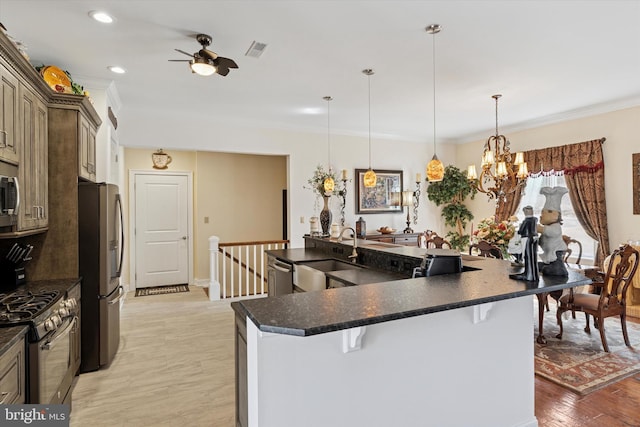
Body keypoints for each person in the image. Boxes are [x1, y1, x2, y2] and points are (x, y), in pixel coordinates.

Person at [537, 186, 569, 276]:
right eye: (542, 212)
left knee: (551, 269)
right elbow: (542, 241)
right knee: (538, 266)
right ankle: (547, 265)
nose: (541, 215)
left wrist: (540, 229)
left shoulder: (556, 227)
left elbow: (551, 232)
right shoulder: (547, 227)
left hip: (556, 253)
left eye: (547, 212)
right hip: (549, 255)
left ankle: (558, 269)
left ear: (556, 215)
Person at [509, 205, 539, 282]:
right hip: (535, 237)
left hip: (527, 238)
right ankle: (534, 275)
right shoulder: (535, 220)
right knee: (533, 257)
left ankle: (528, 275)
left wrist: (518, 230)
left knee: (528, 256)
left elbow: (521, 231)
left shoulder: (527, 221)